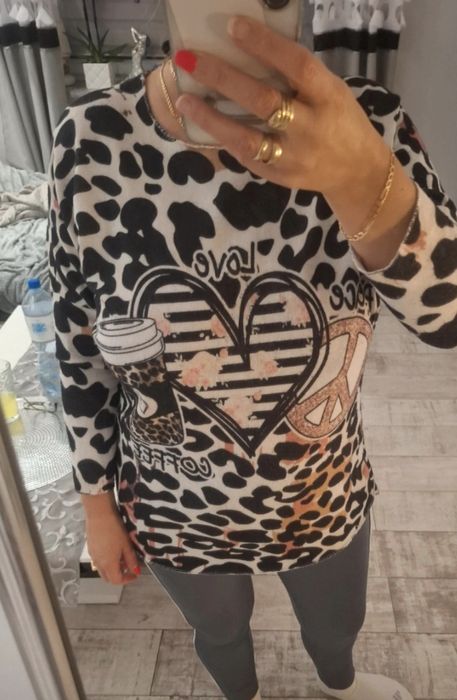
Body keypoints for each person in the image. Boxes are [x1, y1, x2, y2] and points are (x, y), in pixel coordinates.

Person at [47, 13, 457, 700]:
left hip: (320, 489)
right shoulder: (89, 139)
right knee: (218, 633)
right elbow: (78, 348)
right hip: (174, 503)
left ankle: (338, 685)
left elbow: (447, 319)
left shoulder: (367, 121)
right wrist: (96, 504)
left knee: (336, 629)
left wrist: (362, 176)